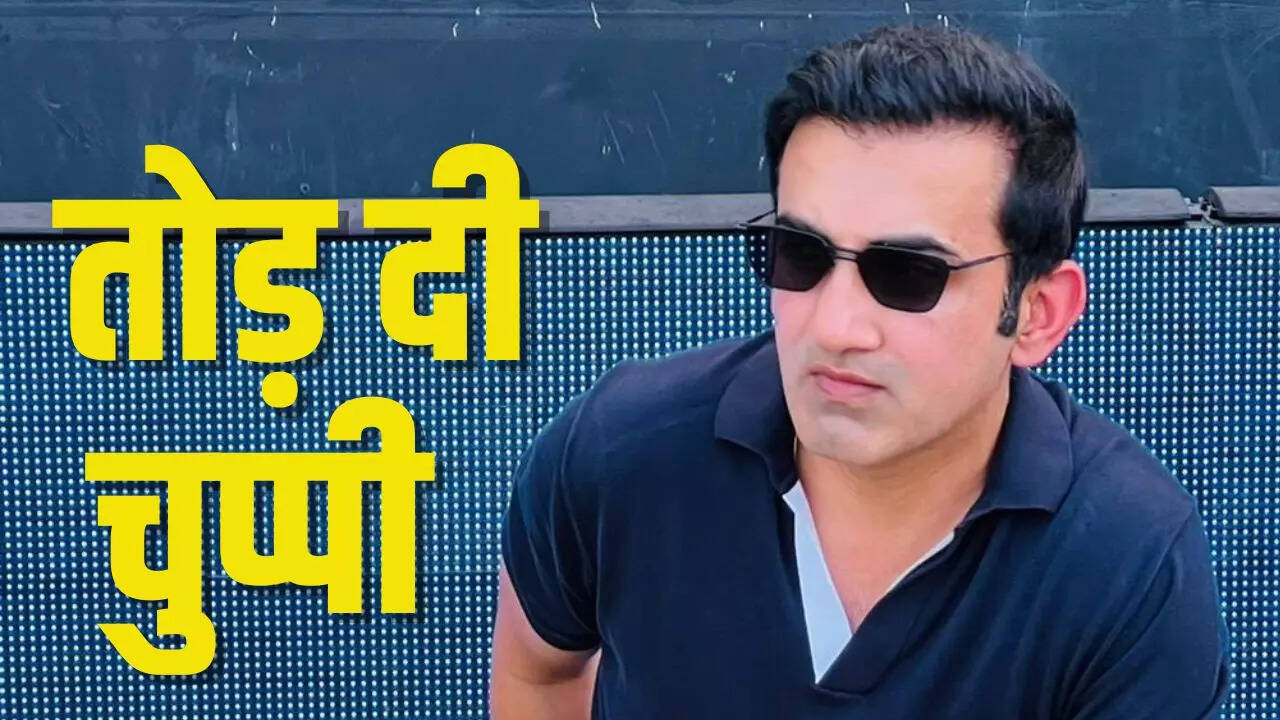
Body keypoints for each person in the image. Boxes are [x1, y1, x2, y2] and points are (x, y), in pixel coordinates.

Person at [490, 24, 1230, 719]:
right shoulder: (622, 453)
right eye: (800, 254)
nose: (835, 327)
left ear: (1038, 313)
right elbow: (539, 670)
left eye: (908, 274)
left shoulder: (1126, 565)